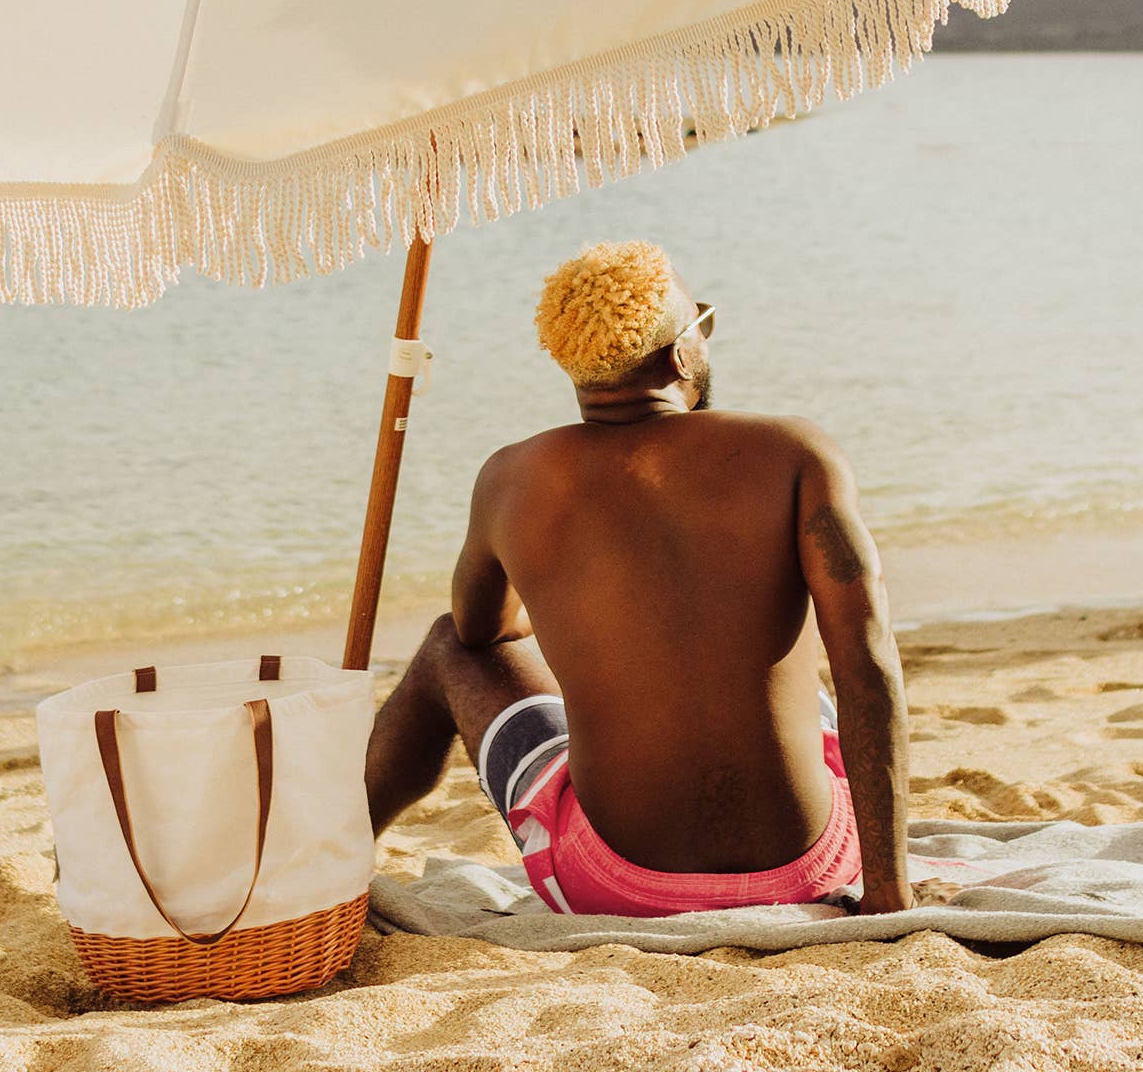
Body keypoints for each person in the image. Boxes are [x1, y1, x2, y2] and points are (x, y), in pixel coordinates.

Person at [362, 240, 916, 916]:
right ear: (681, 354)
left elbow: (480, 630)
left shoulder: (511, 479)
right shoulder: (795, 453)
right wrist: (888, 892)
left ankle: (335, 854)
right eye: (703, 323)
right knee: (821, 671)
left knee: (444, 646)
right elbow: (869, 660)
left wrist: (582, 609)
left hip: (615, 888)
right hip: (811, 867)